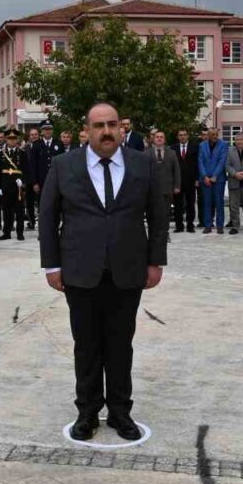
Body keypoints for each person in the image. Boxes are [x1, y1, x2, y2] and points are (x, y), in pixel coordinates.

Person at [40, 101, 168, 442]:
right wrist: (52, 265)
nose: (107, 131)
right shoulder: (63, 165)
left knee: (120, 344)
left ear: (121, 128)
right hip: (80, 271)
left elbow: (158, 215)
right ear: (87, 130)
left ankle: (120, 411)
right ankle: (87, 411)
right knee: (86, 344)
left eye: (112, 124)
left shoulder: (143, 164)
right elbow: (48, 217)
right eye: (99, 125)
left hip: (128, 270)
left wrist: (155, 261)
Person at [150, 130, 181, 240]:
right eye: (157, 137)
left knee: (165, 213)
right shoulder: (146, 153)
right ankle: (154, 233)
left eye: (161, 137)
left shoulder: (171, 153)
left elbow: (176, 170)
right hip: (151, 190)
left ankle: (165, 233)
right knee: (153, 213)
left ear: (164, 139)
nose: (159, 138)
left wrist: (177, 186)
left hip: (166, 188)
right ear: (153, 139)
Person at [0, 128, 28, 240]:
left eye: (14, 138)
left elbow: (26, 169)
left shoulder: (22, 153)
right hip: (5, 185)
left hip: (18, 186)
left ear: (17, 139)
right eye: (10, 138)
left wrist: (23, 181)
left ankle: (20, 232)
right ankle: (6, 232)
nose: (12, 140)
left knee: (19, 211)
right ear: (6, 139)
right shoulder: (1, 154)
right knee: (6, 211)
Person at [30, 122, 63, 224]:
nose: (47, 131)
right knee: (43, 207)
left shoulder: (58, 144)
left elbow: (62, 164)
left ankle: (55, 228)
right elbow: (33, 165)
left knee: (56, 206)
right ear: (42, 131)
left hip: (55, 181)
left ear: (52, 130)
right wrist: (35, 182)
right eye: (45, 129)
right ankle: (44, 230)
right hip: (41, 181)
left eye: (49, 129)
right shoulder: (36, 145)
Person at [198, 127, 228, 234]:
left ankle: (220, 226)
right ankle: (208, 225)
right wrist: (205, 176)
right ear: (208, 135)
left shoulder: (223, 144)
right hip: (205, 180)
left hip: (218, 179)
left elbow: (222, 161)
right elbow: (200, 161)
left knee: (219, 203)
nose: (214, 136)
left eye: (216, 134)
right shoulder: (202, 145)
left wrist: (215, 175)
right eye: (212, 134)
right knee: (207, 203)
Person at [171, 128, 199, 233]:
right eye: (180, 135)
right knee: (178, 205)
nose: (182, 137)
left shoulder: (194, 147)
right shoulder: (173, 148)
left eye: (184, 135)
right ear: (178, 137)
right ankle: (179, 226)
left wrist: (197, 178)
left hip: (191, 181)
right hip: (177, 181)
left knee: (190, 204)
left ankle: (190, 225)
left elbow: (197, 164)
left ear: (188, 136)